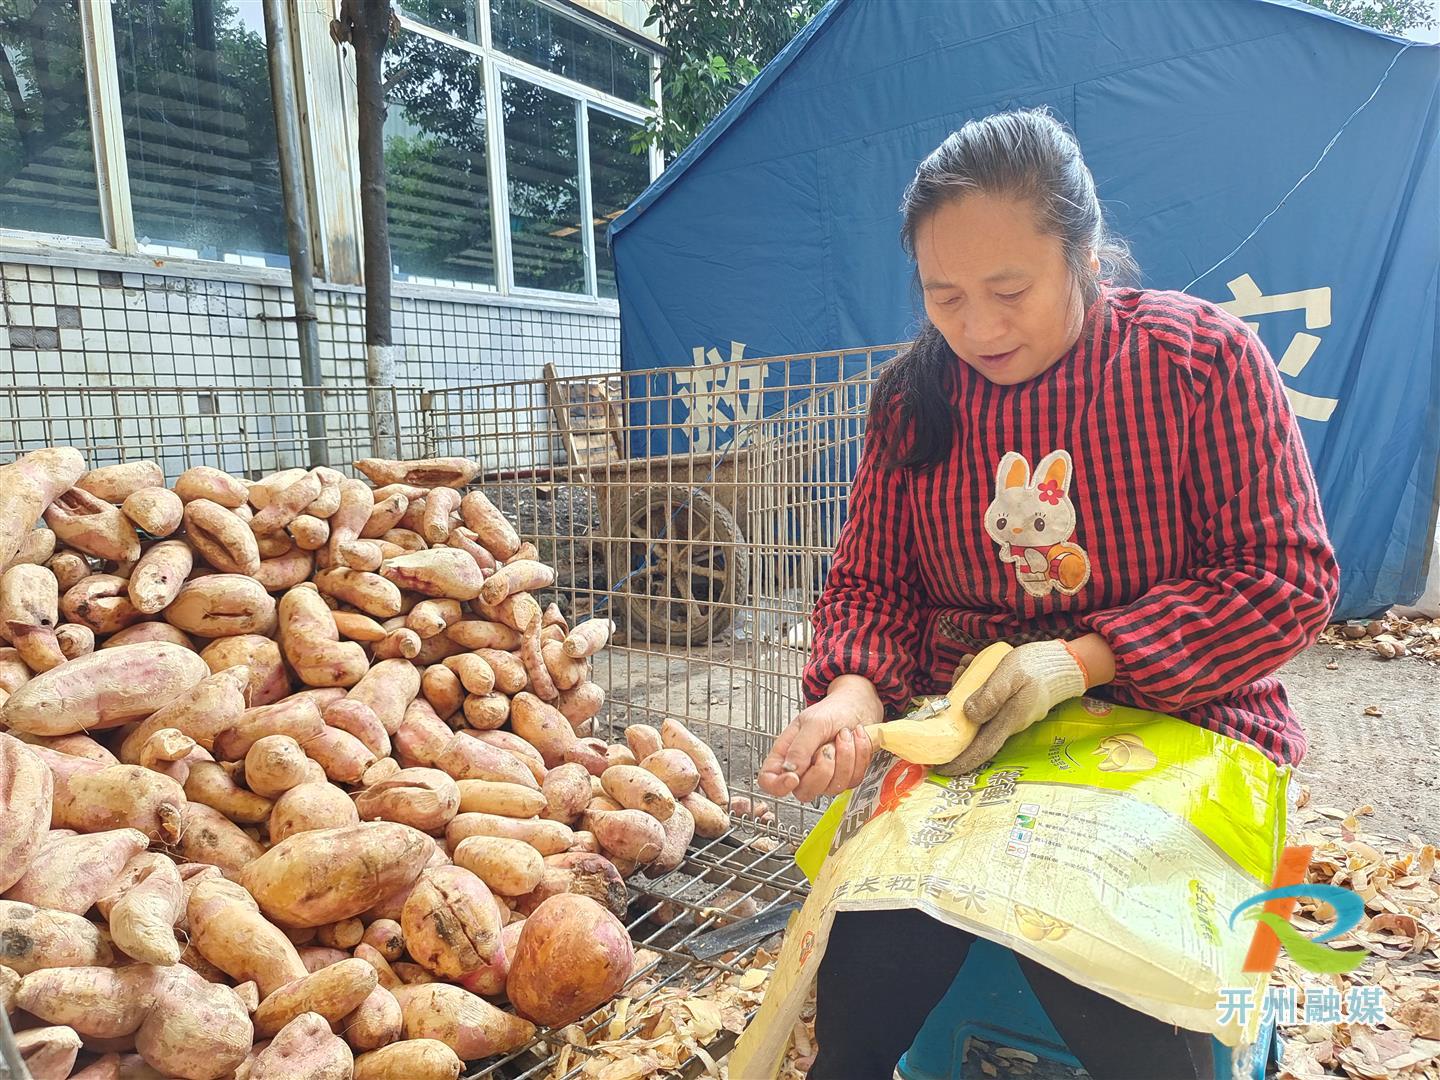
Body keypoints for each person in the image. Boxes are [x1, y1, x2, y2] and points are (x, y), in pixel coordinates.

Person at [756, 108, 1339, 1080]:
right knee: (857, 992)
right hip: (969, 743)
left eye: (1009, 290)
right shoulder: (915, 398)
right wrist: (851, 701)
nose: (978, 328)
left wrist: (1075, 664)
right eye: (944, 297)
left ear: (1087, 256)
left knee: (1117, 990)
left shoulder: (1200, 363)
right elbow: (872, 581)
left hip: (1173, 725)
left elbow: (1284, 574)